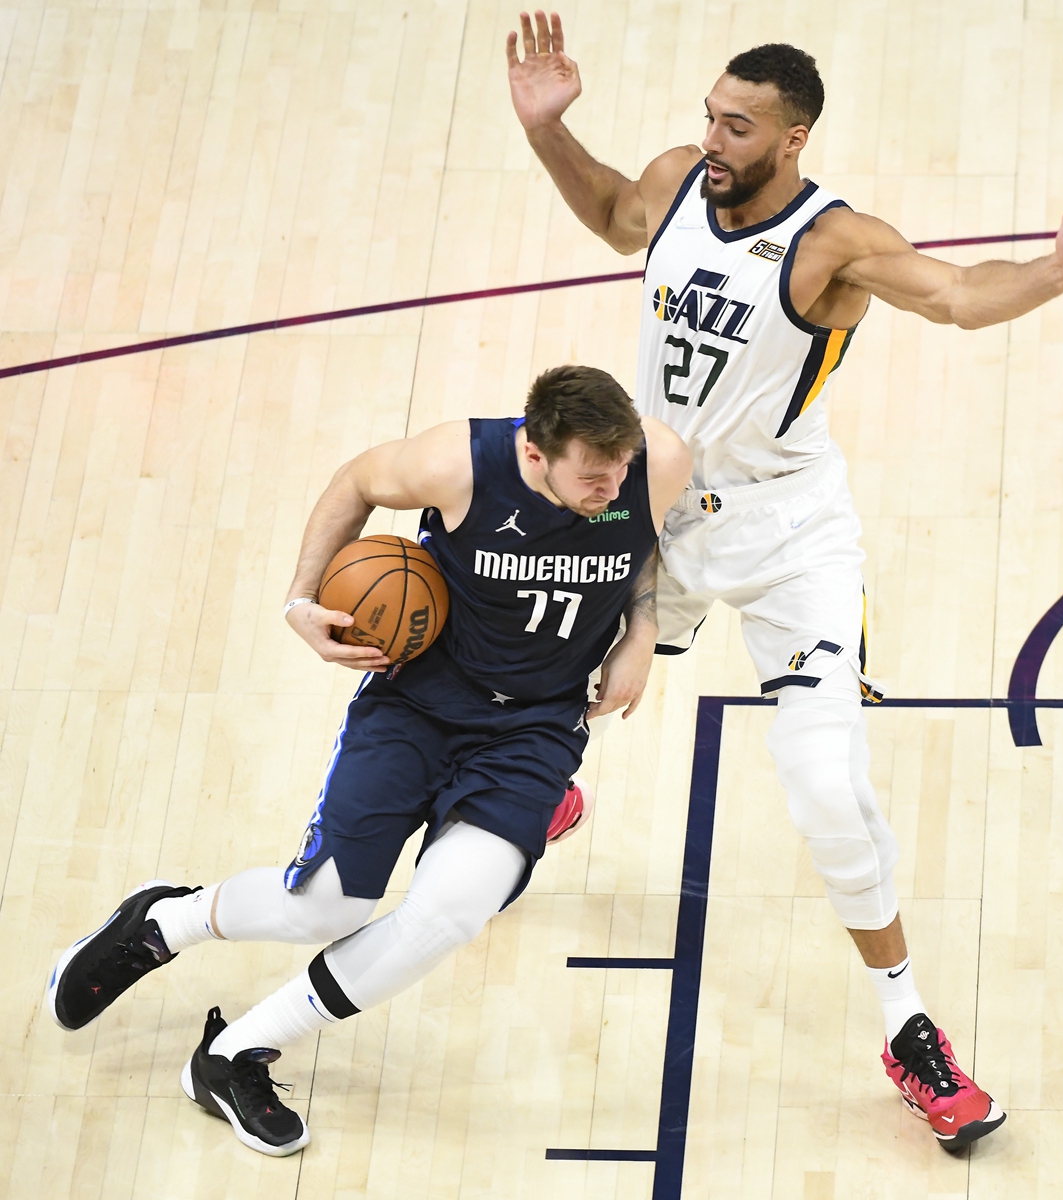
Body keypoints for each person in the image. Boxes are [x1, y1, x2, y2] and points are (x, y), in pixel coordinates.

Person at [507, 13, 1063, 1150]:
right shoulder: (674, 180)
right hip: (654, 502)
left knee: (827, 793)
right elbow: (615, 213)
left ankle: (911, 1032)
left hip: (790, 534)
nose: (712, 136)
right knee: (543, 685)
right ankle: (548, 787)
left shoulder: (835, 243)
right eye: (710, 113)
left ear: (794, 136)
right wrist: (548, 131)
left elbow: (956, 296)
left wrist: (1059, 268)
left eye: (739, 124)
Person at [48, 364, 693, 1157]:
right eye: (593, 476)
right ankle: (164, 922)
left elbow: (646, 545)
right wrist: (299, 600)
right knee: (321, 912)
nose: (614, 484)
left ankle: (235, 1052)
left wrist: (640, 631)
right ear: (534, 453)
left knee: (449, 913)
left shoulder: (654, 462)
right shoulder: (457, 465)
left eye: (621, 467)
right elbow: (354, 480)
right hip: (416, 708)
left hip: (534, 729)